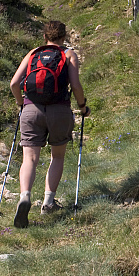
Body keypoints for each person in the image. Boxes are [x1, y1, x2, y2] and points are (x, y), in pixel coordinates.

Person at [9, 20, 89, 228]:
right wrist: (82, 107)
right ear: (64, 37)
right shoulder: (68, 54)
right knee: (57, 156)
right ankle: (48, 202)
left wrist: (21, 104)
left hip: (31, 110)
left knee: (30, 158)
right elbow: (76, 85)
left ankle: (25, 196)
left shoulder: (33, 53)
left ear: (45, 36)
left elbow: (14, 83)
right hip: (59, 109)